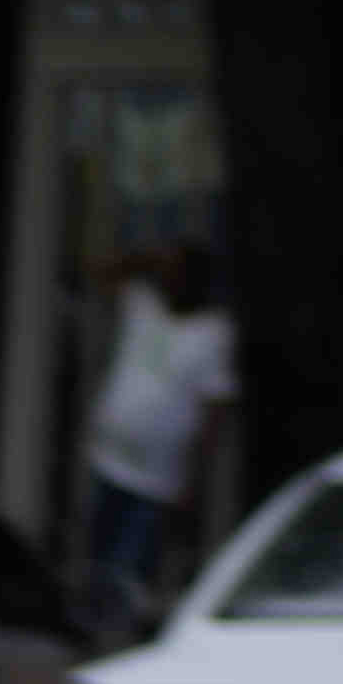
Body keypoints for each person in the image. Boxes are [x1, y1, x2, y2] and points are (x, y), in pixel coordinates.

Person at [79, 236, 236, 640]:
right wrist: (145, 258)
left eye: (176, 273)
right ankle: (87, 638)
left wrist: (193, 478)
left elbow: (213, 409)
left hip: (157, 480)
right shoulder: (142, 305)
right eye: (164, 273)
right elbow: (95, 268)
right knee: (94, 565)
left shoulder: (213, 332)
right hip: (109, 459)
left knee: (130, 576)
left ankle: (115, 644)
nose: (167, 281)